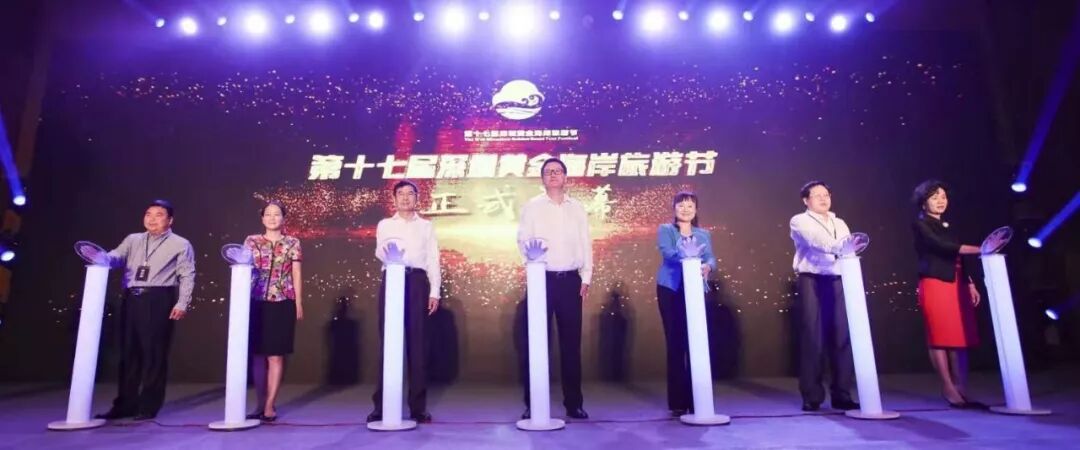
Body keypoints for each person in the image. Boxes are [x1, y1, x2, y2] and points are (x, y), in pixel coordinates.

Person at [95, 200, 195, 421]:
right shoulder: (133, 240)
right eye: (148, 214)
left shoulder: (180, 244)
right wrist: (100, 257)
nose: (152, 218)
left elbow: (187, 274)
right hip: (131, 298)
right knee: (128, 354)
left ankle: (148, 406)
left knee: (154, 354)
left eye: (159, 215)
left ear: (170, 220)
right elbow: (116, 257)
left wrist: (182, 302)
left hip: (158, 299)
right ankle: (125, 405)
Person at [515, 157, 593, 420]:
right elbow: (522, 239)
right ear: (542, 178)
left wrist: (586, 276)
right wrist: (532, 263)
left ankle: (574, 403)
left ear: (565, 177)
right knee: (537, 343)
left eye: (558, 171)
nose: (553, 175)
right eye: (548, 172)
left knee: (571, 344)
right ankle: (534, 403)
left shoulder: (577, 208)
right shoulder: (533, 207)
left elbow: (585, 242)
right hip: (541, 279)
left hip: (571, 280)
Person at [367, 180, 441, 424]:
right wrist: (392, 256)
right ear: (394, 198)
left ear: (417, 198)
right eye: (401, 194)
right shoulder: (385, 224)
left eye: (410, 193)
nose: (406, 197)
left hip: (417, 282)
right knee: (389, 343)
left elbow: (433, 259)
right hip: (392, 279)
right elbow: (379, 251)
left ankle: (418, 408)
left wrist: (435, 291)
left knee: (417, 346)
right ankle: (382, 407)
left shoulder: (426, 226)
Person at [910, 180, 986, 409]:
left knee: (959, 337)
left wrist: (969, 283)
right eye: (934, 197)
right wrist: (982, 249)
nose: (940, 201)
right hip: (935, 282)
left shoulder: (948, 225)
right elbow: (943, 247)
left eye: (943, 196)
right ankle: (948, 387)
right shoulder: (921, 224)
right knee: (939, 337)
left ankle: (961, 387)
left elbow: (959, 257)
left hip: (957, 283)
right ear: (923, 202)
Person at [789, 181, 859, 412]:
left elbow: (850, 248)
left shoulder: (840, 222)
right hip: (812, 280)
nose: (823, 198)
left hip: (838, 279)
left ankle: (842, 394)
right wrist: (842, 247)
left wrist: (849, 248)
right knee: (813, 337)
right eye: (817, 195)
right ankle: (812, 396)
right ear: (806, 200)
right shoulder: (799, 220)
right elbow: (816, 241)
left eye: (826, 194)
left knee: (842, 337)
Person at [655, 191, 717, 417]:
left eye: (690, 205)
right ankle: (678, 401)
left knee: (695, 344)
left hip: (695, 291)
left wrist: (708, 266)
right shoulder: (666, 230)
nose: (685, 209)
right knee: (675, 343)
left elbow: (710, 257)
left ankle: (696, 398)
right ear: (674, 208)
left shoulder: (703, 234)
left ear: (696, 209)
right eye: (681, 205)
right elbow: (668, 253)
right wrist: (689, 257)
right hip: (670, 289)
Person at [243, 201, 303, 422]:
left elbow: (296, 273)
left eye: (277, 214)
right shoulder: (251, 241)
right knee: (258, 354)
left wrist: (298, 303)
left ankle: (269, 405)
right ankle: (259, 403)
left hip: (282, 300)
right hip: (256, 301)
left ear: (283, 218)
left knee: (276, 355)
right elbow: (243, 269)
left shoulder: (293, 242)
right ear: (262, 218)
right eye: (268, 214)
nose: (272, 218)